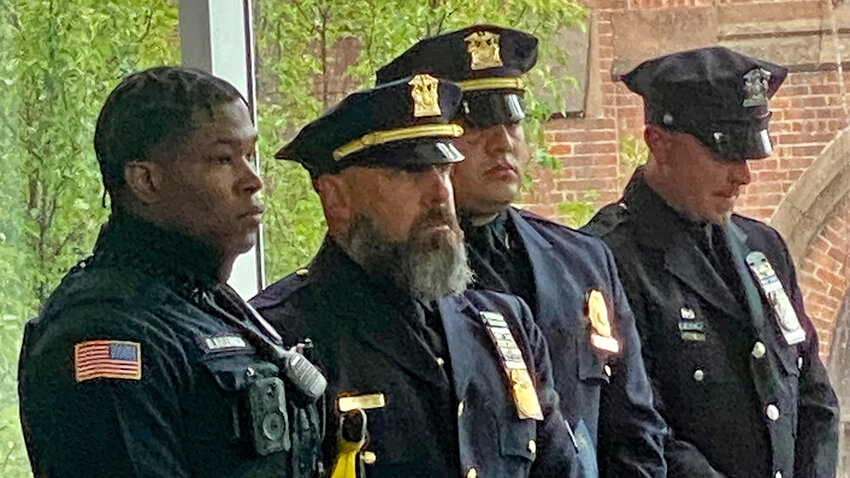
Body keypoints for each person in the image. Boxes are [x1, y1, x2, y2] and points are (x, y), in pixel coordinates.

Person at [376, 25, 667, 478]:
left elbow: (634, 430)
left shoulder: (582, 261)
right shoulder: (407, 269)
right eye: (473, 125)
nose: (503, 143)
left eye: (512, 121)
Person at [250, 76, 578, 477]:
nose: (440, 194)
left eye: (443, 168)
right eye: (409, 171)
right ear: (336, 196)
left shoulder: (505, 324)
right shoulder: (278, 338)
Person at [18, 66, 325, 478]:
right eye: (223, 159)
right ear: (145, 180)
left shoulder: (206, 301)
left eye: (250, 155)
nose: (253, 181)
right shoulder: (104, 332)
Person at [583, 47, 840, 478]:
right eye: (724, 154)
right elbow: (634, 428)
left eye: (747, 154)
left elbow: (814, 398)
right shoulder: (605, 258)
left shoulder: (762, 247)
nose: (743, 175)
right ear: (658, 143)